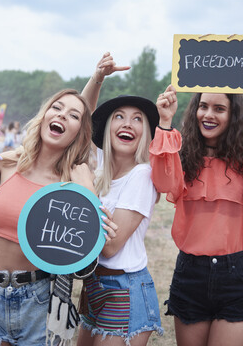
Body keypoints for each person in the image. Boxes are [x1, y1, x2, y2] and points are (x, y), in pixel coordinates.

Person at [0, 88, 117, 346]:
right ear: (45, 115)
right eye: (57, 108)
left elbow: (101, 250)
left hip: (38, 303)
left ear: (79, 133)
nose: (62, 115)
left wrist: (88, 191)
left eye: (74, 115)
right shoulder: (10, 162)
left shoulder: (74, 183)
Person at [149, 80, 243, 346]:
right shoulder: (184, 160)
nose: (208, 114)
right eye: (203, 106)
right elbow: (164, 182)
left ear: (233, 116)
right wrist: (164, 121)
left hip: (240, 276)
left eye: (219, 108)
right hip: (190, 274)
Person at [76, 55, 164, 346]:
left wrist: (86, 188)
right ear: (108, 129)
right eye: (119, 117)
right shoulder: (101, 166)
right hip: (92, 286)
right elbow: (81, 117)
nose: (128, 123)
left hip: (124, 288)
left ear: (144, 134)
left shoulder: (142, 175)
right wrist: (98, 76)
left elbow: (111, 247)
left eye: (137, 119)